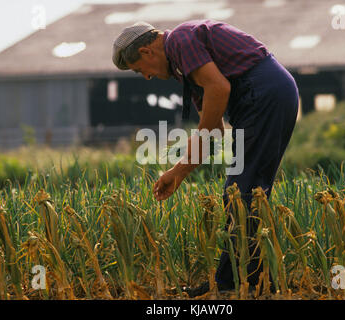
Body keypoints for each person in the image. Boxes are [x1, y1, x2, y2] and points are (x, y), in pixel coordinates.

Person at [112, 20, 299, 297]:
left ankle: (231, 283)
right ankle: (257, 280)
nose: (147, 78)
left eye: (140, 70)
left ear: (147, 52)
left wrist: (196, 139)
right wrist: (178, 172)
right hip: (266, 96)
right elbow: (213, 130)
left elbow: (220, 89)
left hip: (264, 95)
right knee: (250, 192)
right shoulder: (185, 68)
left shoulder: (180, 40)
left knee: (239, 192)